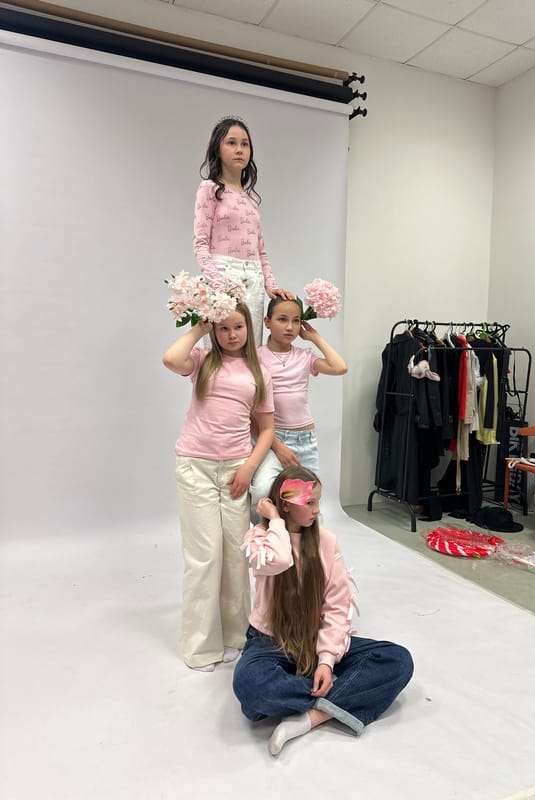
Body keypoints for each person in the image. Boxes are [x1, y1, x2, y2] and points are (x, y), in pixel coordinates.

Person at [233, 466, 414, 756]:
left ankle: (311, 717)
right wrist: (276, 521)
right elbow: (280, 560)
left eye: (318, 501)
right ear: (287, 505)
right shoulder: (261, 540)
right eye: (310, 502)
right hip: (269, 642)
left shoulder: (326, 542)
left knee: (398, 660)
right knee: (251, 685)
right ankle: (346, 693)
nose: (318, 509)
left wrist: (327, 662)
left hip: (314, 640)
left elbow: (337, 605)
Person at [162, 302, 275, 672]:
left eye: (238, 327)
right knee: (205, 556)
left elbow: (266, 429)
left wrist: (248, 468)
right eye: (223, 328)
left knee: (234, 555)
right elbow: (169, 358)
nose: (231, 334)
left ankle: (234, 637)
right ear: (214, 329)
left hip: (235, 472)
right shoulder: (201, 361)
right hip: (196, 467)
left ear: (249, 328)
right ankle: (200, 647)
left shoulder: (258, 372)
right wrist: (199, 325)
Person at [193, 116, 294, 344]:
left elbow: (261, 251)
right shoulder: (209, 189)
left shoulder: (252, 201)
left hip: (254, 279)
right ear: (217, 149)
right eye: (231, 143)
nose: (239, 150)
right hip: (222, 276)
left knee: (251, 351)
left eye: (245, 144)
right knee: (219, 353)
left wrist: (272, 286)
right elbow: (200, 244)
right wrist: (220, 288)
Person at [250, 297, 348, 500]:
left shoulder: (304, 356)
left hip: (305, 440)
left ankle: (295, 531)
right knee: (262, 491)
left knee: (304, 498)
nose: (290, 327)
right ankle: (266, 529)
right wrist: (276, 445)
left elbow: (340, 368)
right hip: (272, 438)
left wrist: (315, 338)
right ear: (267, 322)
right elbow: (248, 411)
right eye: (282, 319)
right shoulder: (256, 357)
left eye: (296, 320)